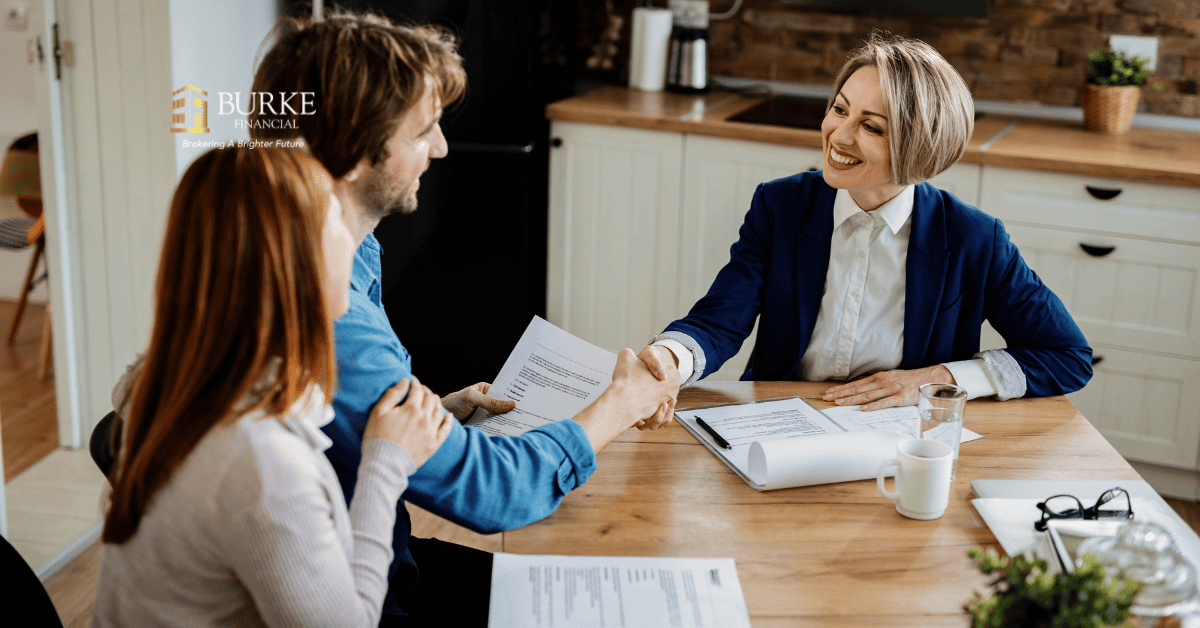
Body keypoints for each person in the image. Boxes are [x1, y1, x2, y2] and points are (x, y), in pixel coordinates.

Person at [247, 12, 679, 625]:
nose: (443, 147)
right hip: (361, 595)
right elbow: (497, 492)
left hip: (372, 555)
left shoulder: (338, 251)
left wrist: (431, 418)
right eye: (423, 130)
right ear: (352, 151)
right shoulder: (329, 315)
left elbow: (341, 423)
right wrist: (621, 402)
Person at [92, 146, 455, 626]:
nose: (355, 239)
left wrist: (416, 424)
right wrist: (384, 463)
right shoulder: (261, 463)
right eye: (338, 220)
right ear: (292, 262)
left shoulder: (176, 380)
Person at [645, 32, 1092, 410]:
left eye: (871, 127)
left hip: (902, 435)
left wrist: (937, 378)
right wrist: (669, 359)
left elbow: (1068, 356)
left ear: (920, 147)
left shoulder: (973, 238)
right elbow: (720, 320)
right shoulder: (780, 206)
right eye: (840, 110)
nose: (838, 136)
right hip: (780, 416)